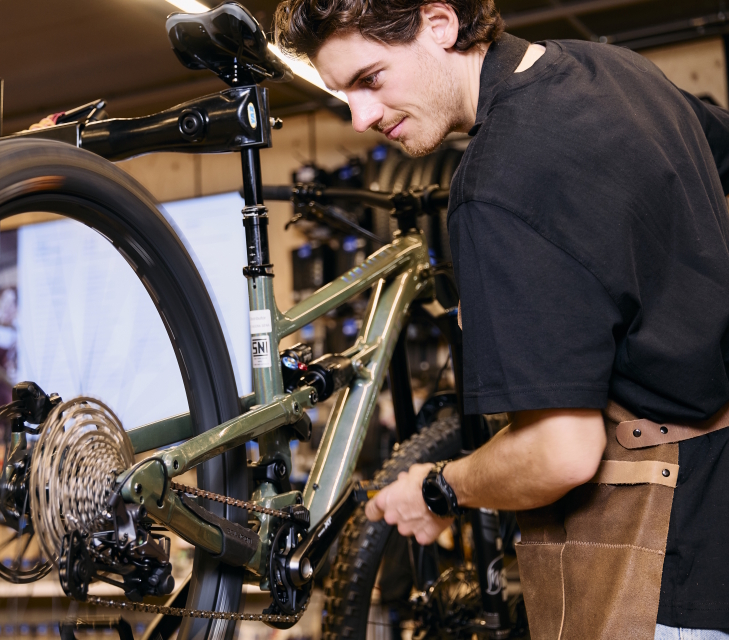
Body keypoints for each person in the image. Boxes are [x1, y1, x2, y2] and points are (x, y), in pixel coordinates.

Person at [275, 1, 729, 638]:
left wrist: (438, 488)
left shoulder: (496, 184)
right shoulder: (619, 71)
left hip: (661, 564)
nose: (360, 117)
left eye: (370, 79)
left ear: (440, 24)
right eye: (343, 93)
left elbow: (560, 454)